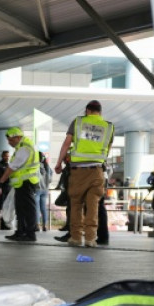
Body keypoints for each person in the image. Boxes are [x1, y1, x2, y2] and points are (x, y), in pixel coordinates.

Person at [54, 100, 114, 248]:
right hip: (97, 171)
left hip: (78, 171)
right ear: (100, 112)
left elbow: (67, 143)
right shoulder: (109, 126)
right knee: (93, 207)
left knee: (76, 205)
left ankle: (75, 237)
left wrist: (58, 163)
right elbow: (108, 148)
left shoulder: (78, 122)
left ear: (87, 110)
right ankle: (90, 239)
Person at [0, 127, 39, 242]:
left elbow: (12, 167)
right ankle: (20, 232)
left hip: (27, 182)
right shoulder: (23, 146)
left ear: (18, 137)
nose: (9, 143)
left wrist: (1, 181)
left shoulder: (24, 148)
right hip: (21, 183)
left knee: (28, 209)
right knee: (21, 209)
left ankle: (30, 234)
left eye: (11, 140)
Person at [36, 152, 53, 231]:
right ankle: (44, 226)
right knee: (43, 208)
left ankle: (37, 225)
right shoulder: (47, 167)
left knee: (36, 208)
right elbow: (50, 179)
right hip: (45, 189)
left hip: (37, 189)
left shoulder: (35, 166)